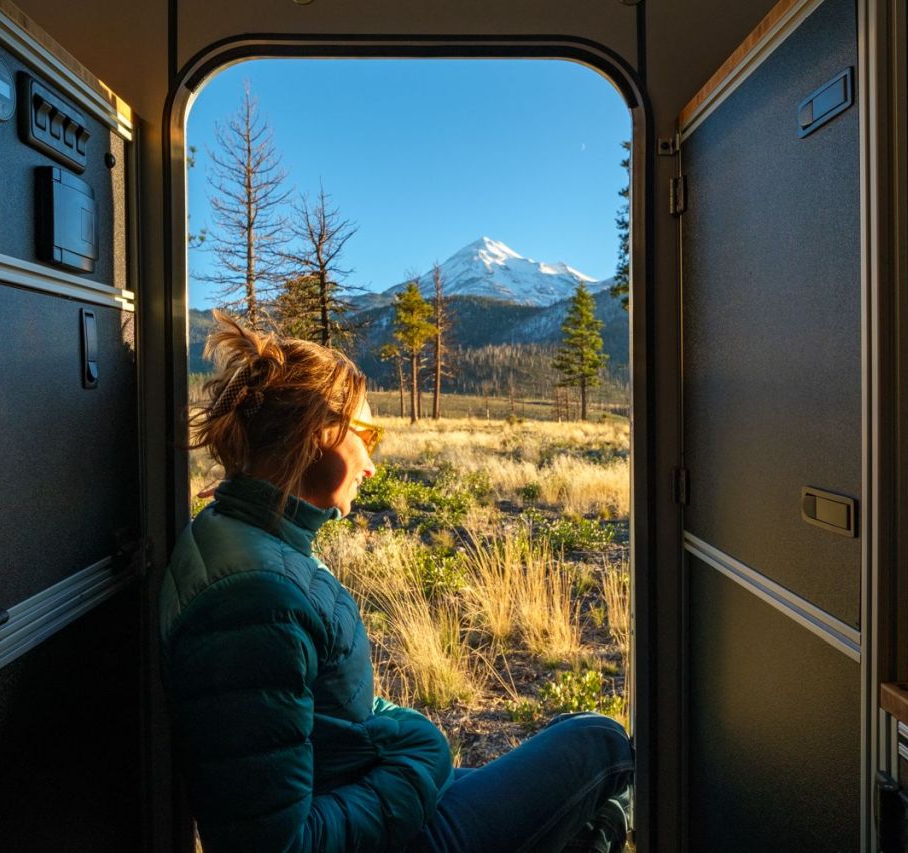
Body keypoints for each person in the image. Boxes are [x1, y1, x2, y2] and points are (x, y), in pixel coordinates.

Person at [158, 311, 634, 853]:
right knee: (601, 741)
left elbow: (329, 719)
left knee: (570, 738)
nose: (372, 465)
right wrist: (419, 761)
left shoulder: (240, 536)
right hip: (404, 835)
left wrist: (411, 748)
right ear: (319, 434)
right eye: (369, 433)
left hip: (374, 796)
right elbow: (278, 845)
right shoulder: (255, 599)